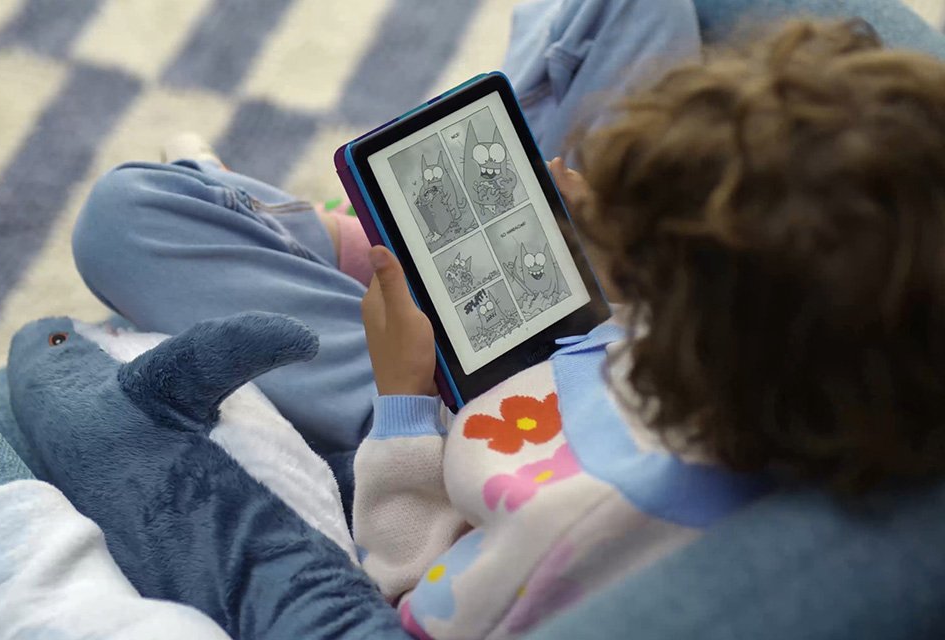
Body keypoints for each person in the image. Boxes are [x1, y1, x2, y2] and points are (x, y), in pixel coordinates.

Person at [69, 15, 945, 640]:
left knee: (127, 214)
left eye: (639, 256)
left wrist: (402, 404)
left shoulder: (573, 530)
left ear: (683, 325)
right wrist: (620, 256)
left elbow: (409, 584)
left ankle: (330, 237)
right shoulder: (832, 350)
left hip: (424, 414)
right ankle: (345, 234)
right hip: (573, 337)